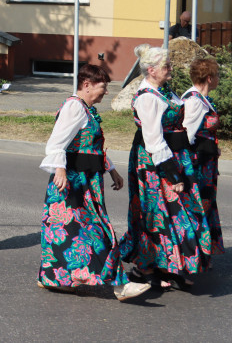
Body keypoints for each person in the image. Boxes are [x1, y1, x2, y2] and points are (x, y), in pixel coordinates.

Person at [37, 64, 150, 301]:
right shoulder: (74, 107)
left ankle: (52, 278)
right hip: (73, 182)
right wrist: (59, 170)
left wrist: (111, 170)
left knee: (69, 234)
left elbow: (90, 146)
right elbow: (56, 143)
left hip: (86, 180)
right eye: (103, 87)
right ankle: (120, 285)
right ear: (86, 85)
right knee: (96, 232)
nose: (105, 92)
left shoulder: (85, 109)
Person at [119, 46, 211, 290]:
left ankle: (170, 267)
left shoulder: (163, 91)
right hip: (155, 163)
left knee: (176, 213)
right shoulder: (148, 97)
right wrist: (171, 173)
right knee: (159, 214)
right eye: (166, 66)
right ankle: (146, 268)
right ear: (152, 70)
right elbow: (153, 140)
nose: (171, 69)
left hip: (176, 156)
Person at [182, 56, 224, 258]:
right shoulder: (193, 101)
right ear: (209, 78)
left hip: (206, 164)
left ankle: (201, 252)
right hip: (197, 166)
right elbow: (186, 135)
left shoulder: (202, 98)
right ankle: (193, 254)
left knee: (205, 205)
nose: (218, 80)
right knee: (197, 206)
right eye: (216, 76)